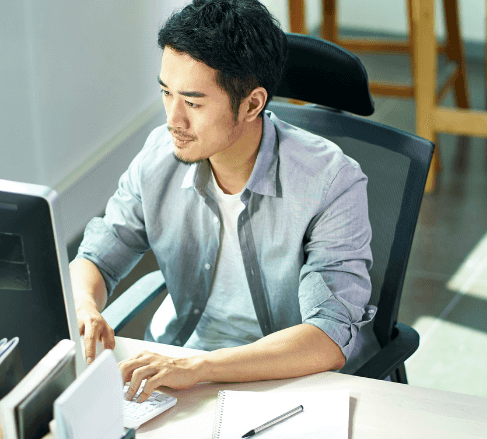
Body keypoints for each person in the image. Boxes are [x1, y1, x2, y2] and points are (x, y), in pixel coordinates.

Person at [71, 0, 379, 403]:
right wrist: (84, 307)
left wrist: (202, 368)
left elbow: (328, 338)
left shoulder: (330, 181)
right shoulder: (158, 156)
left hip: (283, 379)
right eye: (167, 93)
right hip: (179, 366)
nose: (173, 120)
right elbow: (98, 254)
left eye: (193, 103)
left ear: (252, 104)